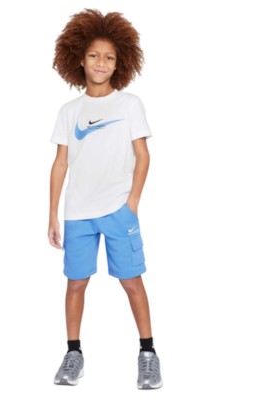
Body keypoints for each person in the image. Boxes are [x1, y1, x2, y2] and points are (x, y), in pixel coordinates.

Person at [48, 9, 162, 390]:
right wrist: (53, 214)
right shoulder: (69, 112)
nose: (101, 62)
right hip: (77, 213)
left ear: (119, 63)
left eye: (109, 57)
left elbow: (143, 156)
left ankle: (148, 354)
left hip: (118, 211)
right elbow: (60, 164)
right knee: (75, 284)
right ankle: (73, 354)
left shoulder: (129, 105)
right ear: (80, 59)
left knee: (132, 281)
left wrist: (132, 204)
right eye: (94, 55)